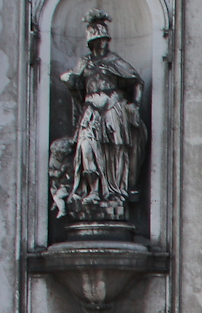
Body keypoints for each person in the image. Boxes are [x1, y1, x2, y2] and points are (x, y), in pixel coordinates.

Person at [59, 10, 147, 217]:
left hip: (113, 108)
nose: (103, 44)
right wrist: (69, 80)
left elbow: (136, 82)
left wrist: (134, 104)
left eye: (105, 40)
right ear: (92, 42)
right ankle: (91, 191)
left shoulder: (115, 61)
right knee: (86, 145)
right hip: (91, 110)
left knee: (115, 149)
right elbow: (77, 87)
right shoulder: (84, 63)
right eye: (99, 40)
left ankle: (115, 191)